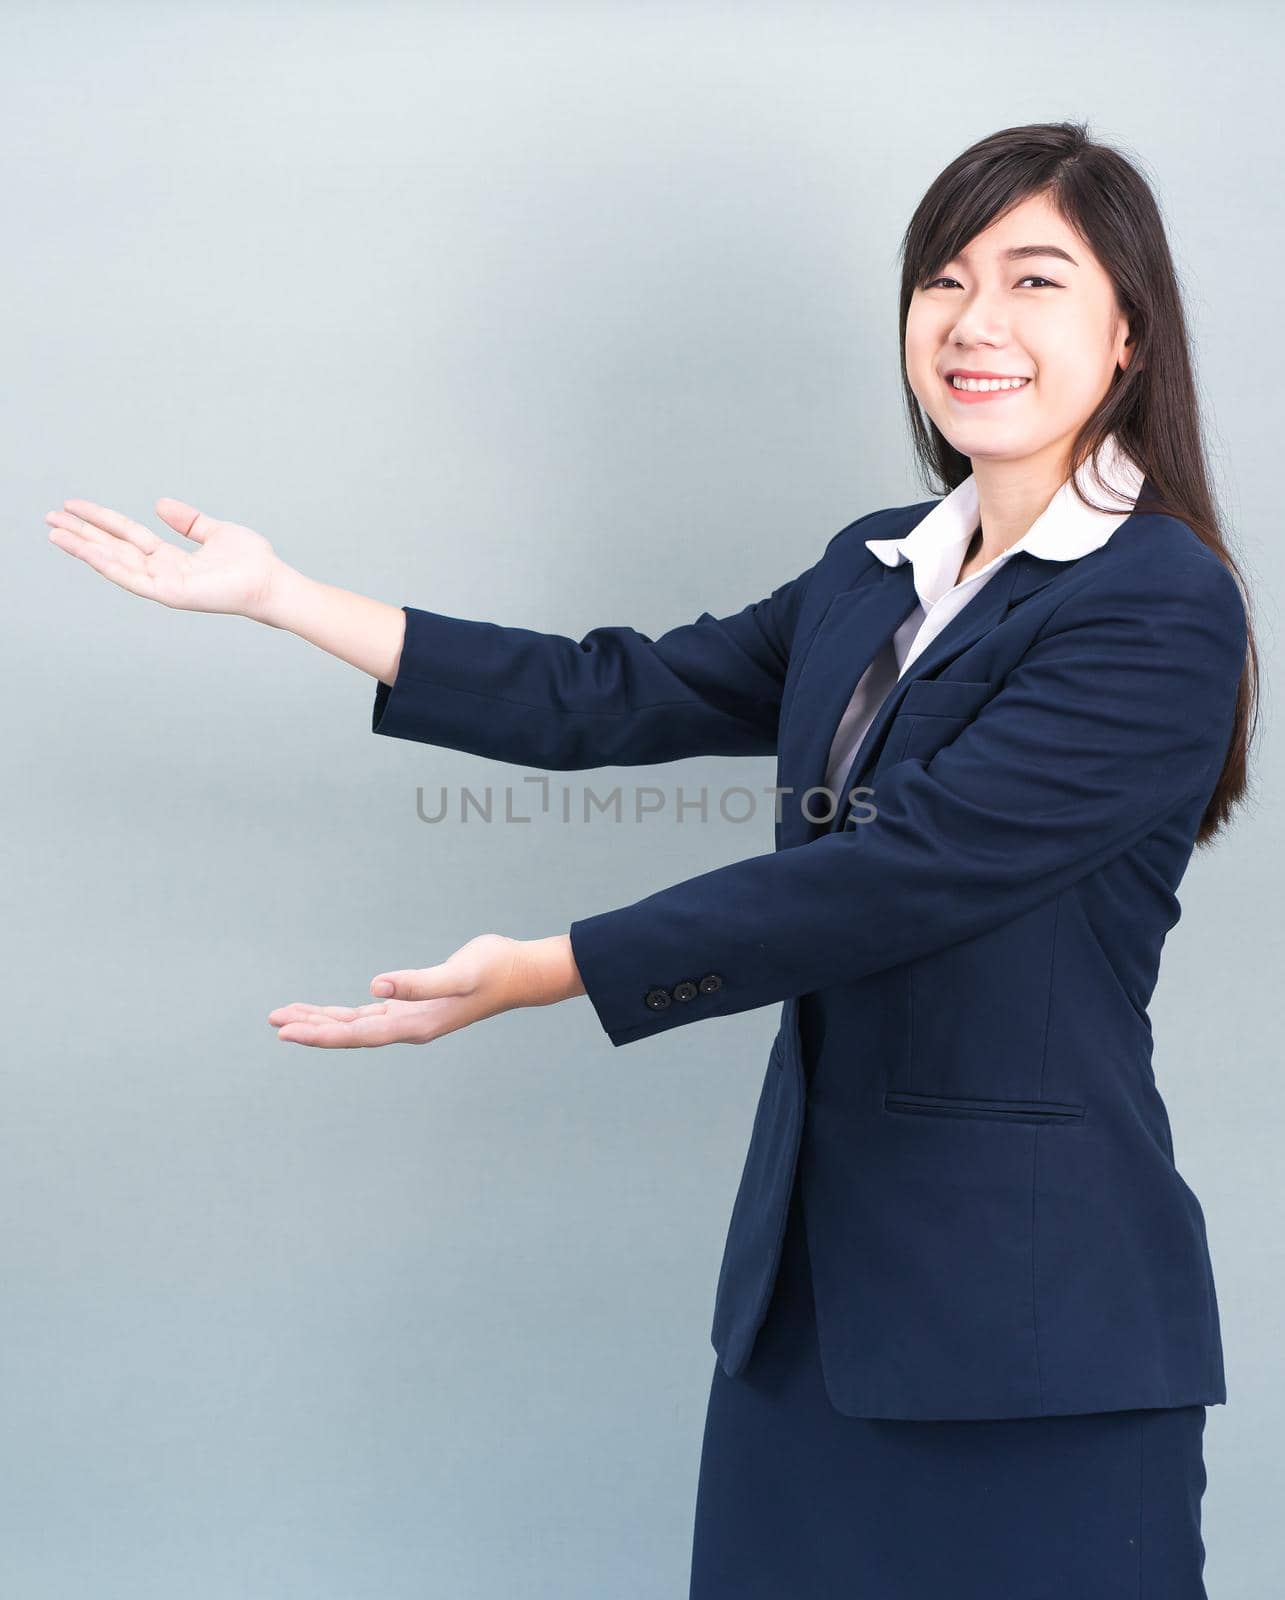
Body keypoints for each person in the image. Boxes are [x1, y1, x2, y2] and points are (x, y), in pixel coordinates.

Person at [46, 119, 1258, 1598]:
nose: (973, 324)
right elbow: (606, 692)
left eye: (1032, 280)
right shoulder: (874, 569)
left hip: (1030, 1321)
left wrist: (545, 973)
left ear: (1127, 332)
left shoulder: (1157, 606)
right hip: (812, 1301)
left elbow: (897, 875)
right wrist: (287, 597)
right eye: (940, 282)